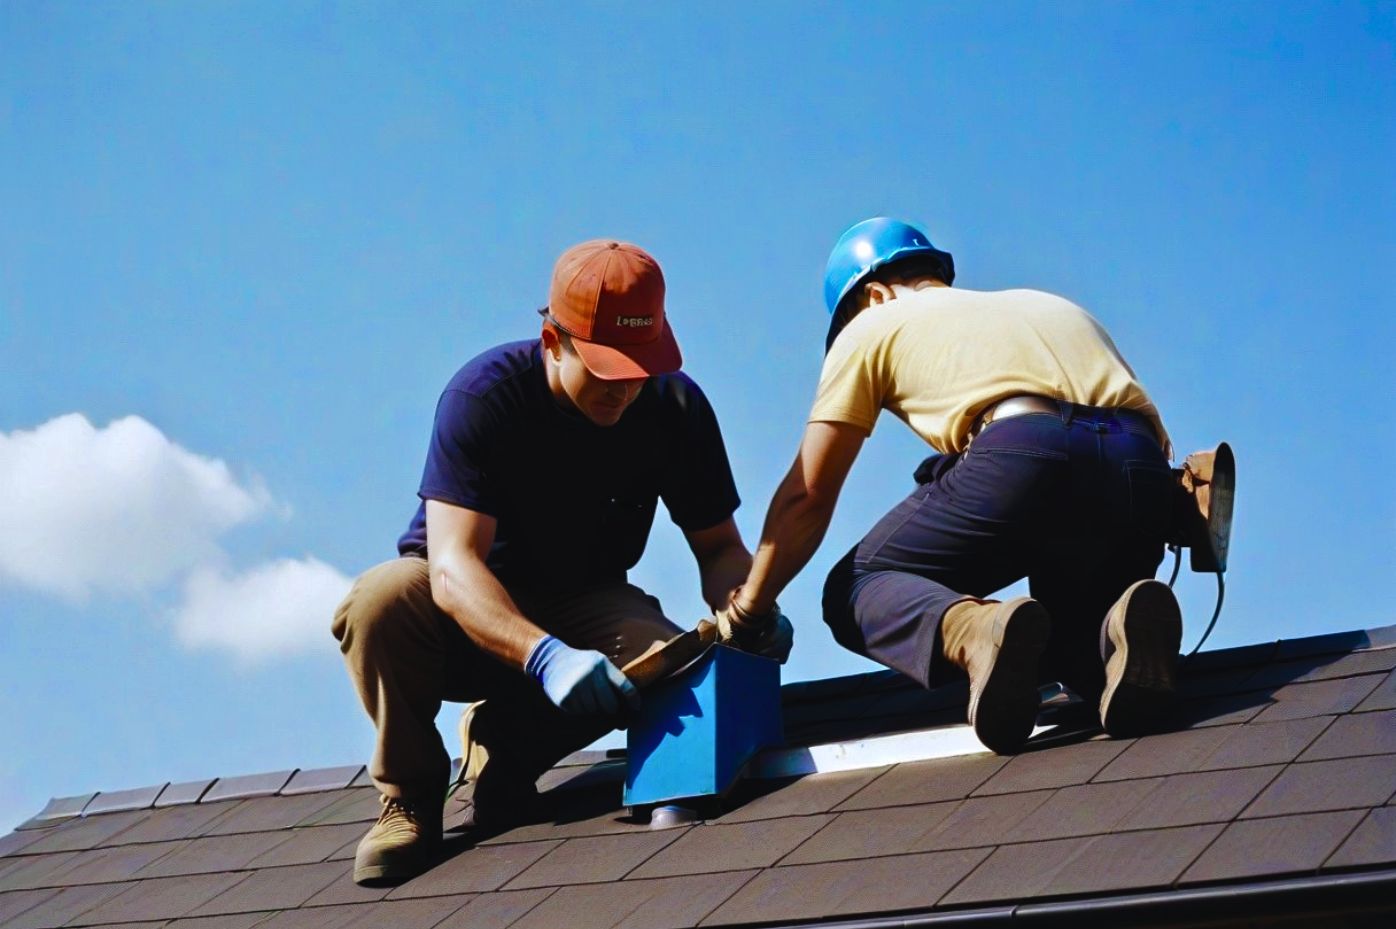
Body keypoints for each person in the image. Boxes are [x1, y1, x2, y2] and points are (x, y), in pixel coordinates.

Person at [334, 239, 761, 885]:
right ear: (552, 340)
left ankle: (509, 746)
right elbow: (452, 568)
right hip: (462, 611)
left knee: (674, 662)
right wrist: (545, 657)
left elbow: (720, 549)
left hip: (583, 599)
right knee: (380, 600)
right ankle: (411, 799)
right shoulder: (486, 396)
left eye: (639, 367)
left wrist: (748, 603)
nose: (624, 388)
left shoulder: (673, 406)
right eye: (605, 367)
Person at [715, 217, 1183, 755]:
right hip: (1139, 473)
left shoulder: (872, 326)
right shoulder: (1053, 306)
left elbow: (808, 494)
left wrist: (748, 607)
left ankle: (972, 631)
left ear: (874, 294)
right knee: (1068, 640)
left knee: (856, 586)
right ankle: (1113, 639)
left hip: (1025, 450)